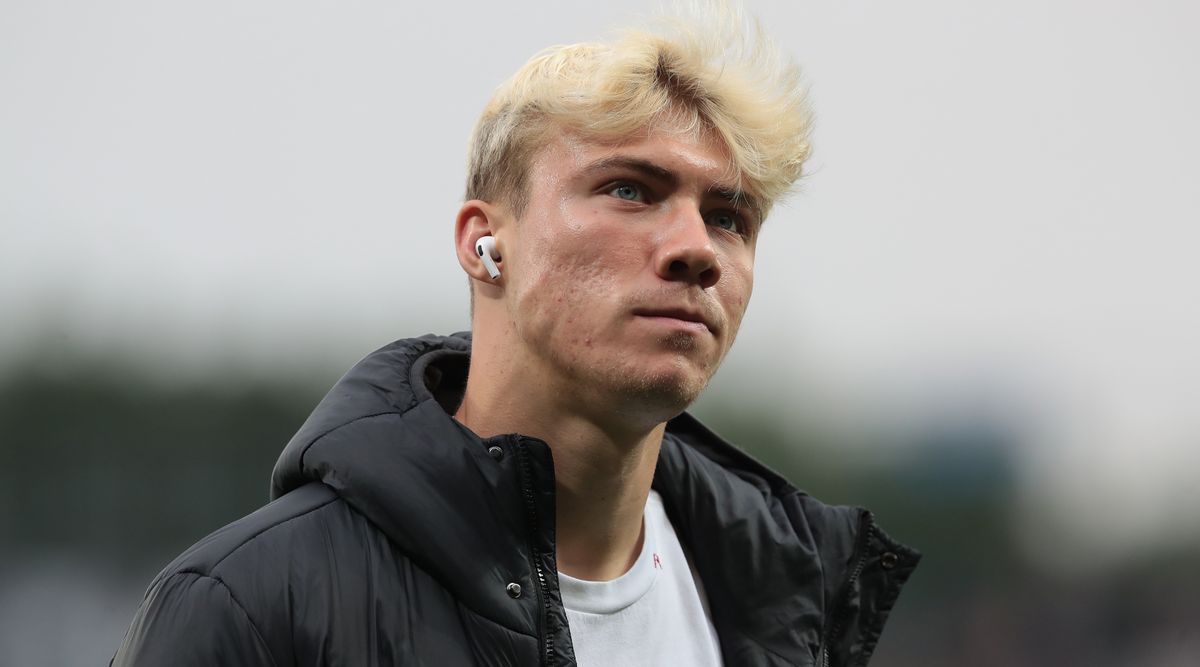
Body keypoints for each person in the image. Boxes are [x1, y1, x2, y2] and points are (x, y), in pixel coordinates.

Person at [112, 5, 918, 666]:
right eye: (630, 189)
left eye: (728, 217)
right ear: (484, 243)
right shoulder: (253, 607)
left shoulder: (785, 604)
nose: (696, 250)